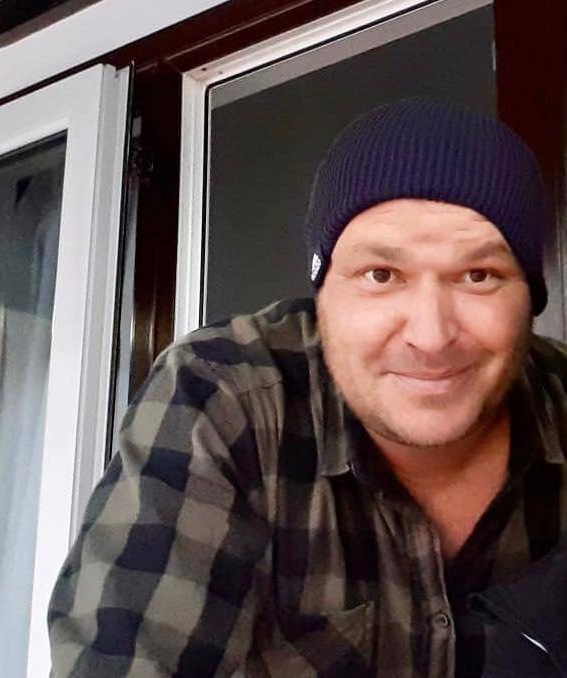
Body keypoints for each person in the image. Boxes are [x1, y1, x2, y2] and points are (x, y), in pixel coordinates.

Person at [48, 98, 567, 677]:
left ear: (530, 297)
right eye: (380, 275)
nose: (430, 335)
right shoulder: (224, 397)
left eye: (479, 275)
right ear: (322, 297)